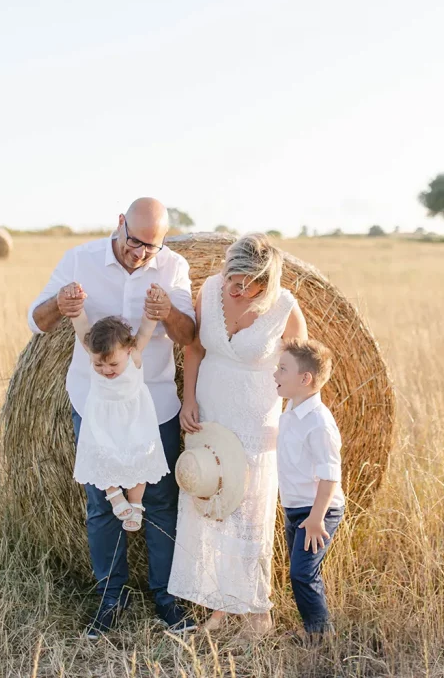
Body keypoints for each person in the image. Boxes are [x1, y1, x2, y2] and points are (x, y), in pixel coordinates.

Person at [27, 197, 197, 639]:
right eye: (135, 242)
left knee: (160, 503)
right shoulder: (79, 260)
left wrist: (168, 314)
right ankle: (109, 602)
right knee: (102, 504)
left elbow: (190, 335)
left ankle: (167, 600)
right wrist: (62, 303)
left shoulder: (173, 267)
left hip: (154, 405)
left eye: (151, 247)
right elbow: (38, 321)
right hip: (94, 404)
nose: (141, 254)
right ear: (119, 224)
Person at [169, 233, 308, 635]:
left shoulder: (284, 308)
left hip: (254, 420)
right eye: (235, 278)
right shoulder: (210, 290)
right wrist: (188, 399)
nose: (240, 288)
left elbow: (303, 373)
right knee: (210, 501)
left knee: (249, 513)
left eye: (252, 283)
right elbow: (194, 349)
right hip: (210, 414)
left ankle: (257, 611)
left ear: (269, 282)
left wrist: (296, 426)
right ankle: (218, 607)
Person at [67, 285, 171, 532]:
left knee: (140, 459)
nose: (106, 370)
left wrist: (152, 306)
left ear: (129, 350)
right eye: (99, 365)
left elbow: (147, 328)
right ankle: (113, 494)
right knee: (103, 455)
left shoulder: (135, 357)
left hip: (134, 419)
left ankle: (136, 505)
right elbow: (81, 326)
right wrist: (75, 306)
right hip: (102, 419)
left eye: (113, 363)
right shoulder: (96, 354)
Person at [273, 338, 345, 641]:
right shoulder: (291, 410)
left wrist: (316, 518)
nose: (275, 374)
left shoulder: (319, 423)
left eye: (282, 369)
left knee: (302, 573)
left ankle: (321, 634)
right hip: (296, 507)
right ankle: (313, 628)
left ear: (305, 379)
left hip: (318, 510)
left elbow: (330, 477)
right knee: (302, 572)